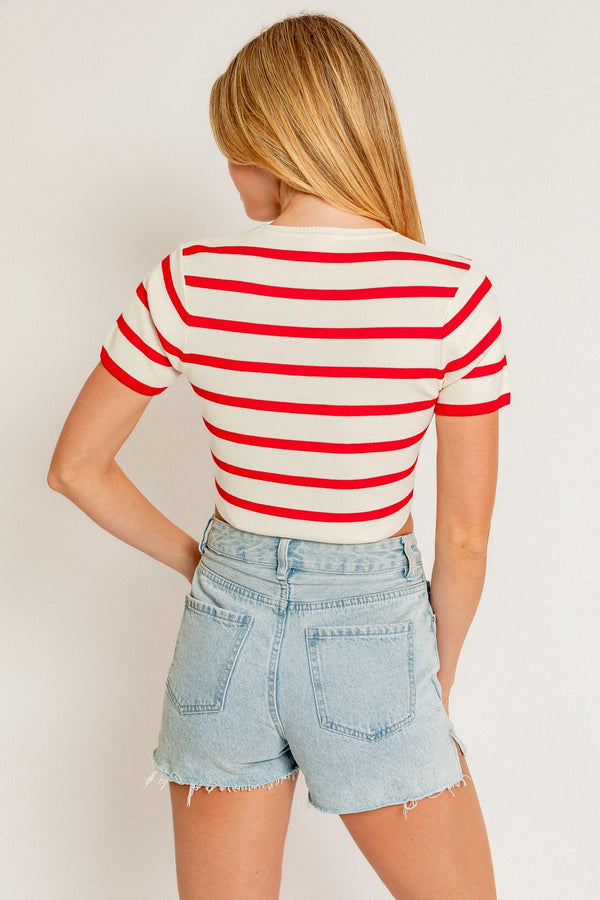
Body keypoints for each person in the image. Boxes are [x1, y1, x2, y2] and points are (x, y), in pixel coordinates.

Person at [47, 12, 510, 900]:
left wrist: (207, 565)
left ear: (273, 143)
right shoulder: (451, 294)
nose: (232, 175)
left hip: (224, 627)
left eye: (234, 151)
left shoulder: (189, 278)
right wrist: (432, 681)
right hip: (373, 637)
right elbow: (464, 542)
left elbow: (76, 469)